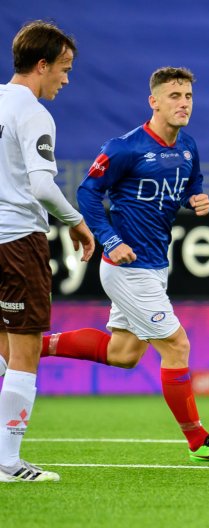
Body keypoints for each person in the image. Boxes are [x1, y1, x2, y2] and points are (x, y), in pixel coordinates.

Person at [31, 67, 209, 463]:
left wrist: (197, 199)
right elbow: (88, 193)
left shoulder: (188, 147)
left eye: (188, 97)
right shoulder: (124, 147)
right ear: (154, 102)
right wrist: (111, 240)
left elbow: (191, 183)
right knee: (177, 345)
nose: (183, 103)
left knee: (124, 353)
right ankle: (200, 441)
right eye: (175, 96)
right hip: (127, 266)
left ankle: (32, 346)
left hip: (154, 265)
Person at [0, 20, 95, 482]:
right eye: (63, 68)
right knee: (25, 349)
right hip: (17, 240)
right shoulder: (33, 112)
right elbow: (40, 185)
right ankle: (7, 461)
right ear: (42, 65)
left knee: (2, 347)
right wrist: (76, 222)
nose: (66, 78)